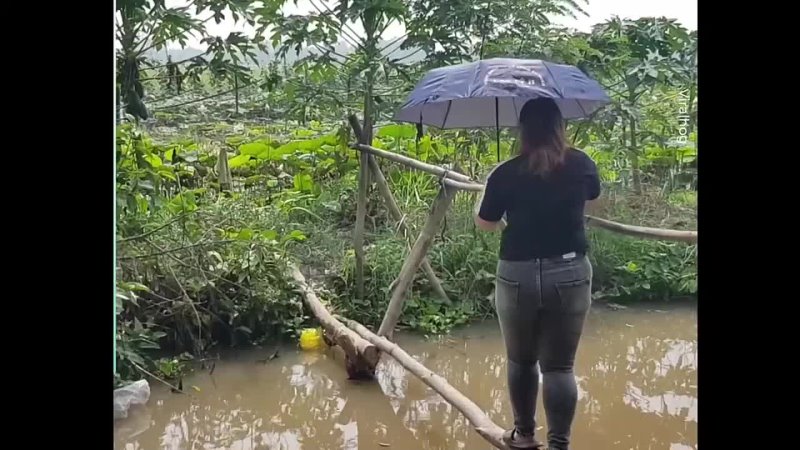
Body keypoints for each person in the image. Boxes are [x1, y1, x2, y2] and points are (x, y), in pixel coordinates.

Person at [474, 97, 601, 450]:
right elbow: (593, 194)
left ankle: (524, 436)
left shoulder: (505, 172)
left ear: (523, 132)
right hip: (570, 272)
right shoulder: (581, 164)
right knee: (560, 368)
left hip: (517, 274)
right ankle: (559, 445)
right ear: (560, 128)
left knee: (521, 360)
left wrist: (492, 191)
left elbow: (485, 224)